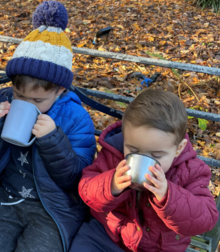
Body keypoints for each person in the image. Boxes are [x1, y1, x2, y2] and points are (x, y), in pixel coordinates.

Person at [0, 0, 96, 252]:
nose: (26, 104)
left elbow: (75, 179)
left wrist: (52, 140)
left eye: (38, 100)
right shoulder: (4, 99)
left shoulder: (76, 118)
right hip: (6, 194)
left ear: (60, 90)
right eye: (19, 95)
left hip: (53, 207)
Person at [70, 89, 219, 252]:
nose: (144, 160)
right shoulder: (113, 154)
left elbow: (205, 219)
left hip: (159, 247)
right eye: (133, 150)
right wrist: (111, 185)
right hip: (107, 235)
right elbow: (86, 189)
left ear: (178, 149)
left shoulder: (190, 171)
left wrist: (168, 195)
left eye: (156, 155)